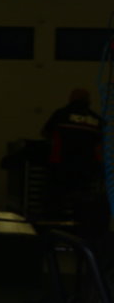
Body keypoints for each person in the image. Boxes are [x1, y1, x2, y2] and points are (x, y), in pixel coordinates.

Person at [40, 88, 106, 233]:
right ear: (88, 101)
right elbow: (101, 147)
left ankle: (51, 234)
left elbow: (46, 133)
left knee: (54, 203)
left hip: (61, 168)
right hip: (86, 171)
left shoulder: (61, 115)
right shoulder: (97, 120)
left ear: (71, 98)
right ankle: (80, 235)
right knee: (82, 206)